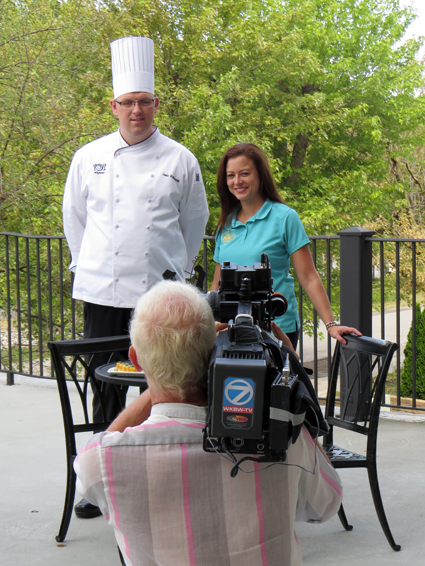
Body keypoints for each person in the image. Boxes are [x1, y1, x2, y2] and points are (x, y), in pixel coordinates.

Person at [74, 280, 343, 566]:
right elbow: (325, 505)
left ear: (136, 360)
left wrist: (160, 381)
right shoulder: (281, 438)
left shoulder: (103, 461)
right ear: (212, 353)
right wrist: (292, 378)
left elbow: (91, 457)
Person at [63, 37, 209, 517]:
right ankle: (101, 483)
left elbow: (194, 225)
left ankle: (161, 471)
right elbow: (75, 220)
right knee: (103, 384)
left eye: (144, 101)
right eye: (127, 102)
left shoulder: (180, 159)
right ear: (114, 106)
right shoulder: (88, 157)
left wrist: (173, 274)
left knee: (167, 387)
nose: (136, 110)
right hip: (102, 292)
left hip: (157, 296)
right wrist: (90, 265)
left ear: (156, 104)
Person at [212, 142, 360, 349]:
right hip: (231, 330)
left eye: (244, 173)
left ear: (260, 175)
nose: (237, 181)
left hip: (276, 329)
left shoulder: (285, 217)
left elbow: (308, 277)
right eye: (230, 175)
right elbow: (217, 285)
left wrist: (331, 324)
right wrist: (211, 325)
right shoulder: (225, 225)